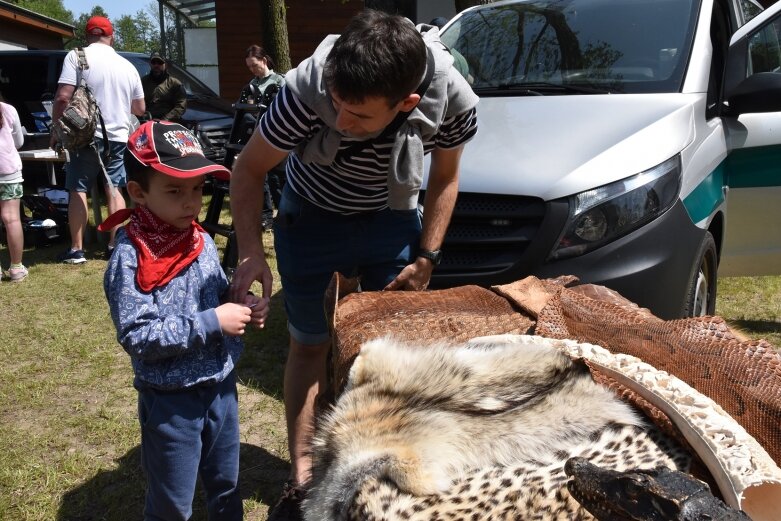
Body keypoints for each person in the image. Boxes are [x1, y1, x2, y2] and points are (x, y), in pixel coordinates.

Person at [228, 9, 478, 520]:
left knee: (389, 350)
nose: (340, 122)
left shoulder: (452, 100)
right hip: (312, 215)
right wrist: (253, 251)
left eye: (358, 115)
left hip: (392, 216)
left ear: (407, 103)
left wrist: (428, 255)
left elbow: (445, 178)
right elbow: (248, 169)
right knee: (309, 344)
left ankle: (380, 464)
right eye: (337, 106)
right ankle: (302, 473)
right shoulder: (304, 93)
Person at [102, 120, 270, 520]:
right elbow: (138, 336)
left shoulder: (200, 239)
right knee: (173, 503)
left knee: (227, 485)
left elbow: (217, 295)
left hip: (220, 388)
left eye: (197, 189)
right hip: (171, 399)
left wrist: (242, 302)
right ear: (138, 192)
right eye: (175, 191)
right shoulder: (130, 258)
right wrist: (214, 320)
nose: (191, 203)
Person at [50, 15, 146, 264]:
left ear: (87, 35)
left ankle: (77, 249)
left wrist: (56, 129)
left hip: (85, 136)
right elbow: (139, 108)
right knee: (114, 187)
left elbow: (62, 97)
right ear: (111, 36)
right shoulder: (127, 66)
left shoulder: (76, 57)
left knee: (78, 188)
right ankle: (115, 245)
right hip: (119, 136)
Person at [239, 44, 286, 231]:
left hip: (277, 140)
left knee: (278, 179)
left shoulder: (280, 81)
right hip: (255, 140)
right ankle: (265, 217)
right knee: (261, 181)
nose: (252, 70)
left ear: (264, 61)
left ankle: (283, 215)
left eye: (255, 65)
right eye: (249, 67)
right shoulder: (250, 86)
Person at [0, 96, 27, 282]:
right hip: (8, 170)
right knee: (12, 219)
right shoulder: (9, 109)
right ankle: (16, 268)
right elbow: (18, 141)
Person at [141, 52, 187, 122]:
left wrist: (165, 119)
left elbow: (181, 106)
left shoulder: (175, 84)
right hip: (147, 123)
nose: (156, 65)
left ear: (165, 65)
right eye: (153, 62)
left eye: (160, 62)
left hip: (168, 125)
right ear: (150, 64)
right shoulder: (142, 82)